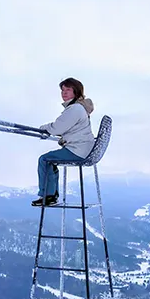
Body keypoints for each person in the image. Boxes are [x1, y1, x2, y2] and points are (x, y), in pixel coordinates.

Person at [32, 77, 95, 206]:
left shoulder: (75, 109)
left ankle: (48, 196)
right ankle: (50, 195)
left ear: (76, 92)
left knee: (44, 160)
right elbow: (64, 127)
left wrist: (44, 128)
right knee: (50, 160)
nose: (64, 93)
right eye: (62, 90)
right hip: (83, 149)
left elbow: (57, 128)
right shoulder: (78, 108)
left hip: (77, 150)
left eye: (68, 90)